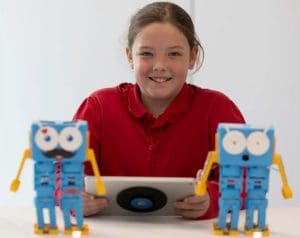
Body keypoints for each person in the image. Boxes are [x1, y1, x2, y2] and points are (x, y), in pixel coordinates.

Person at [73, 1, 245, 219]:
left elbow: (247, 180)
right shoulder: (98, 105)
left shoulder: (218, 109)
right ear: (129, 56)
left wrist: (213, 199)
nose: (160, 65)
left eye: (174, 54)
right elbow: (61, 170)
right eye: (146, 54)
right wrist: (71, 196)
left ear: (192, 57)